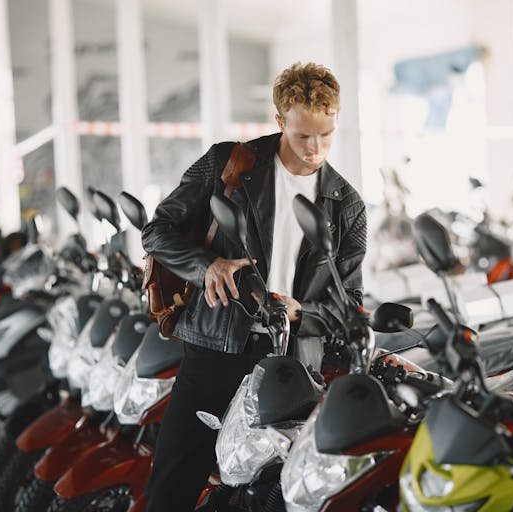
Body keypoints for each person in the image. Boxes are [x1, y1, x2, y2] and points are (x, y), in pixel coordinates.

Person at [142, 62, 367, 511]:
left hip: (294, 366)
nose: (315, 148)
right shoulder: (230, 163)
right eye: (304, 135)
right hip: (217, 347)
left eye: (327, 135)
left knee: (276, 497)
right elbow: (157, 232)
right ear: (280, 120)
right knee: (172, 484)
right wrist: (206, 266)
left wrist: (305, 313)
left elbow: (351, 306)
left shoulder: (347, 206)